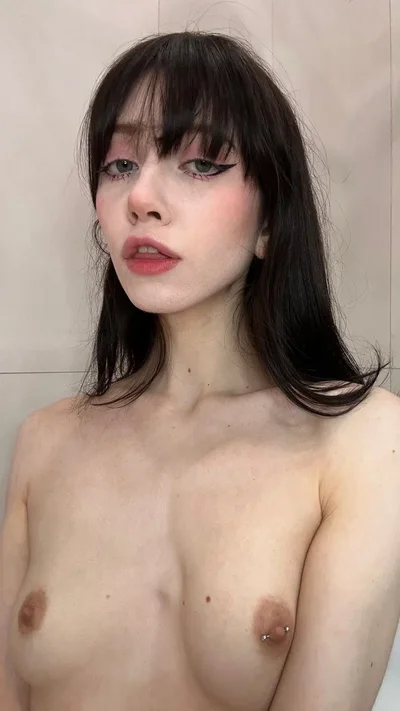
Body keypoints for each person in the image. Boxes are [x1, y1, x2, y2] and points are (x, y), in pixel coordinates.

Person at [1, 30, 400, 711]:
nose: (141, 197)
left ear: (270, 219)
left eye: (201, 163)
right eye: (119, 163)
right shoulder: (45, 441)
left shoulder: (365, 443)